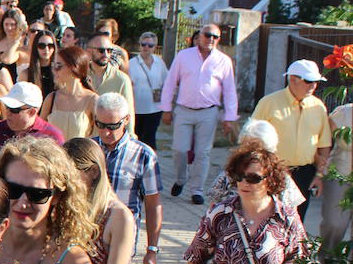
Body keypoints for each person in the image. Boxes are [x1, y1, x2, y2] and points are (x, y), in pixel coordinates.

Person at [161, 23, 238, 204]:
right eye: (207, 35)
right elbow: (171, 82)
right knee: (179, 149)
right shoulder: (184, 56)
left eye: (215, 37)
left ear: (219, 40)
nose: (210, 39)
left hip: (208, 111)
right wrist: (166, 108)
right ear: (199, 36)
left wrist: (229, 117)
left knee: (203, 152)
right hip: (184, 109)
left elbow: (229, 90)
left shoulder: (223, 61)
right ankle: (181, 179)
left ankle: (197, 190)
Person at [251, 60, 333, 219]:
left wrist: (319, 176)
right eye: (309, 81)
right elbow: (252, 138)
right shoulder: (269, 103)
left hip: (304, 173)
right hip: (273, 171)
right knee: (269, 218)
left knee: (297, 220)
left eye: (316, 82)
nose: (313, 86)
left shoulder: (318, 107)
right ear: (293, 79)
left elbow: (324, 145)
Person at [94, 93, 163, 264]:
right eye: (100, 125)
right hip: (87, 238)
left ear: (126, 120)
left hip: (121, 240)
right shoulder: (89, 150)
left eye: (112, 126)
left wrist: (152, 249)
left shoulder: (143, 155)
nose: (106, 132)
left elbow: (153, 204)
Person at [207, 120, 305, 212]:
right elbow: (212, 209)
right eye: (247, 148)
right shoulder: (229, 173)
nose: (252, 154)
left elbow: (291, 214)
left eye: (257, 149)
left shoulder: (281, 178)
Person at [0, 82, 65, 162]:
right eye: (6, 106)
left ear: (32, 112)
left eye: (14, 109)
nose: (7, 112)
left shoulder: (52, 136)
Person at [41, 45, 98, 140]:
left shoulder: (92, 100)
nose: (54, 70)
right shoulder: (51, 98)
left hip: (81, 154)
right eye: (53, 65)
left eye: (58, 66)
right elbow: (40, 133)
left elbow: (98, 137)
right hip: (54, 154)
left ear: (74, 68)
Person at [85, 32, 135, 133]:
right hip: (84, 141)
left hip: (109, 140)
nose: (106, 54)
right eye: (101, 50)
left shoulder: (121, 79)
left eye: (109, 50)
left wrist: (129, 138)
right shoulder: (80, 76)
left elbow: (128, 116)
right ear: (89, 51)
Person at [128, 31, 169, 150]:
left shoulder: (159, 63)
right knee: (137, 138)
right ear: (139, 45)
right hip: (137, 108)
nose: (146, 47)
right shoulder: (132, 63)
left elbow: (166, 81)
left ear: (155, 47)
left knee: (150, 138)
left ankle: (151, 165)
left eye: (150, 45)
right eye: (143, 44)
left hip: (155, 108)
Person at [323, 101, 353, 251]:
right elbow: (323, 141)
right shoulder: (345, 112)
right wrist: (319, 170)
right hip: (340, 175)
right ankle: (327, 261)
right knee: (334, 223)